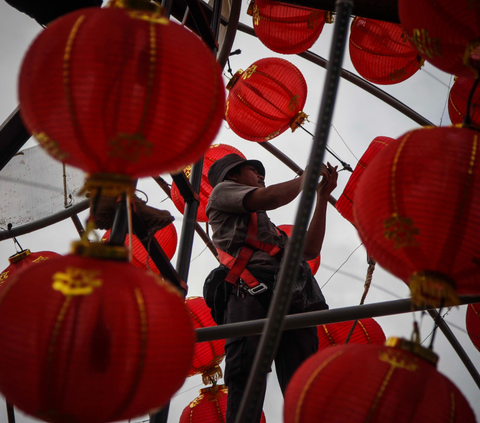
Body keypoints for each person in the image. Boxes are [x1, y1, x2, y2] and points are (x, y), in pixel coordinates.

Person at [205, 153, 338, 423]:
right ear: (232, 177)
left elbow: (310, 249)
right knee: (246, 375)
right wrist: (306, 177)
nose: (260, 176)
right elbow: (272, 198)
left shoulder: (272, 232)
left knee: (302, 381)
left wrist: (322, 197)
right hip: (249, 290)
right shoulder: (221, 193)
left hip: (288, 294)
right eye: (253, 171)